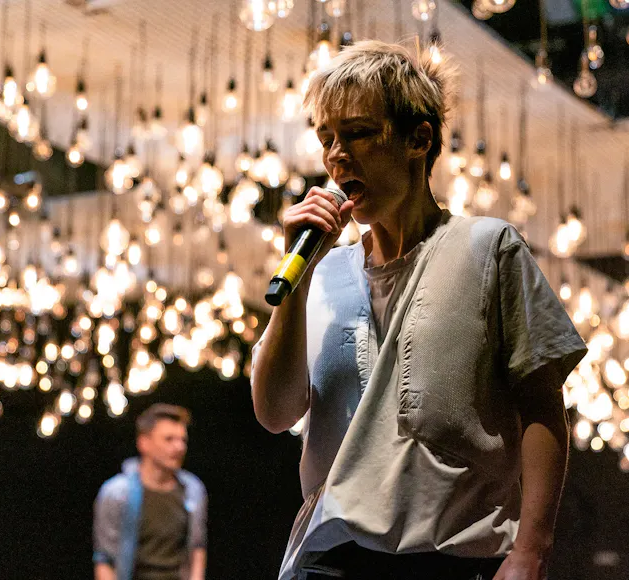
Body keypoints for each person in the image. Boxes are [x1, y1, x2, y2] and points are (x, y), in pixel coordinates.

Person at [251, 41, 587, 580]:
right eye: (326, 138)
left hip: (452, 556)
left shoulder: (487, 248)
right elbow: (274, 412)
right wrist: (301, 276)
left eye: (358, 133)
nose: (337, 155)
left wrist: (531, 548)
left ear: (418, 139)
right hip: (331, 559)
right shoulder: (323, 274)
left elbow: (542, 408)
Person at [93, 404, 207, 580]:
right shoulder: (116, 493)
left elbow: (197, 547)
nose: (179, 447)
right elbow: (105, 559)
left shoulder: (192, 490)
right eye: (169, 439)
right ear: (144, 443)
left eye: (183, 440)